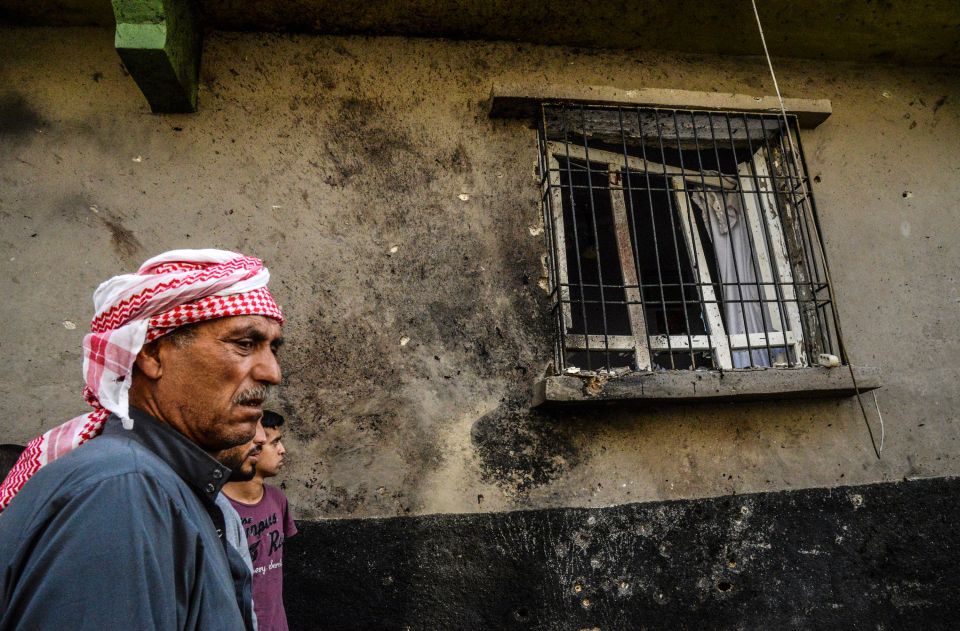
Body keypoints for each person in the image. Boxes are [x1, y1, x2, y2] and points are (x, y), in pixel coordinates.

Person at [0, 249, 285, 631]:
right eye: (245, 344)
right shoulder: (121, 490)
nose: (272, 373)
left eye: (273, 348)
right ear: (152, 353)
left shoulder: (167, 485)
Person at [224, 410, 297, 631]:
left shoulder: (277, 500)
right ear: (253, 446)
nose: (282, 451)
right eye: (275, 443)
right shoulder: (219, 509)